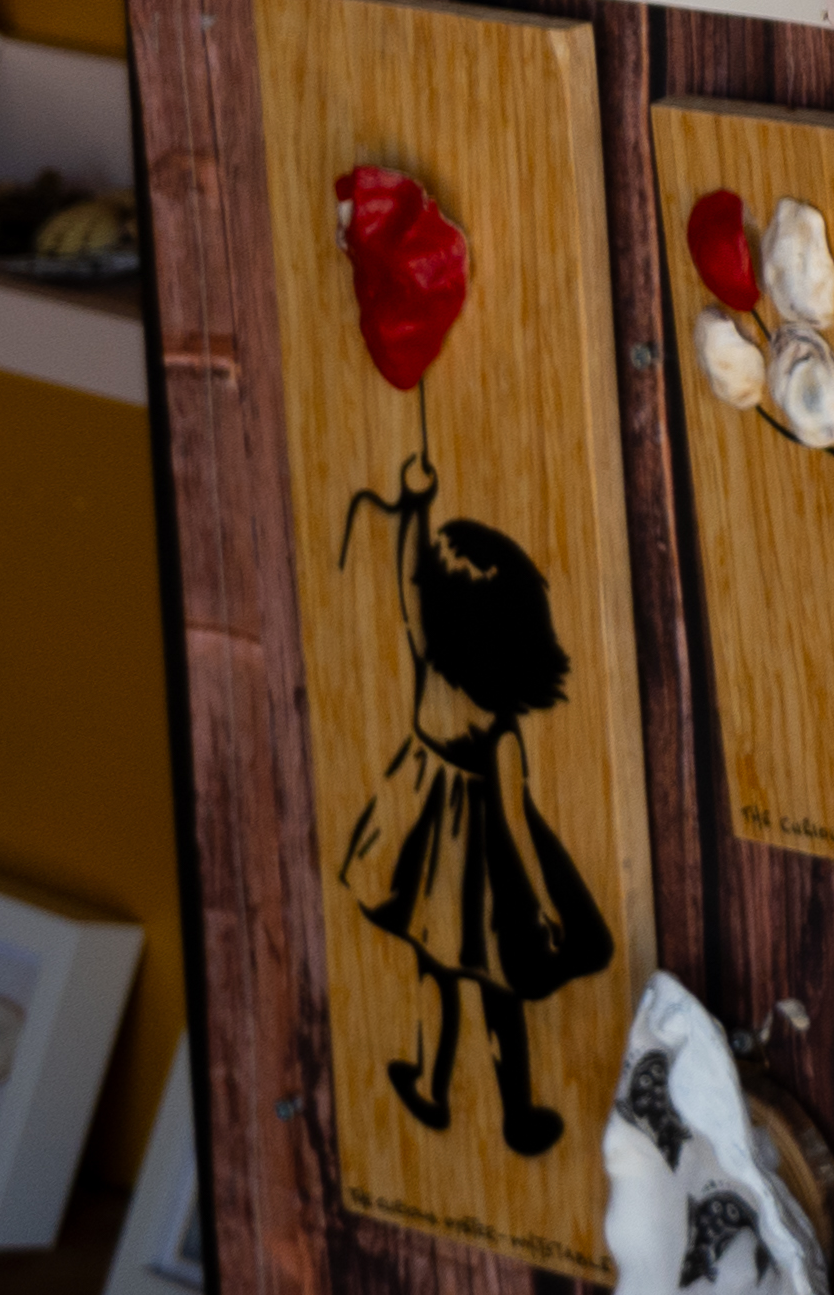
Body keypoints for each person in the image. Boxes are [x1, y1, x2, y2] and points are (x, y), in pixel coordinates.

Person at [335, 460, 612, 1154]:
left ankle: (430, 1083)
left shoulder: (429, 671)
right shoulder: (498, 728)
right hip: (483, 872)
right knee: (498, 989)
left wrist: (416, 511)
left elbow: (408, 591)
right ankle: (516, 1113)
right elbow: (516, 823)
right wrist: (549, 907)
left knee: (436, 971)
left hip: (421, 851)